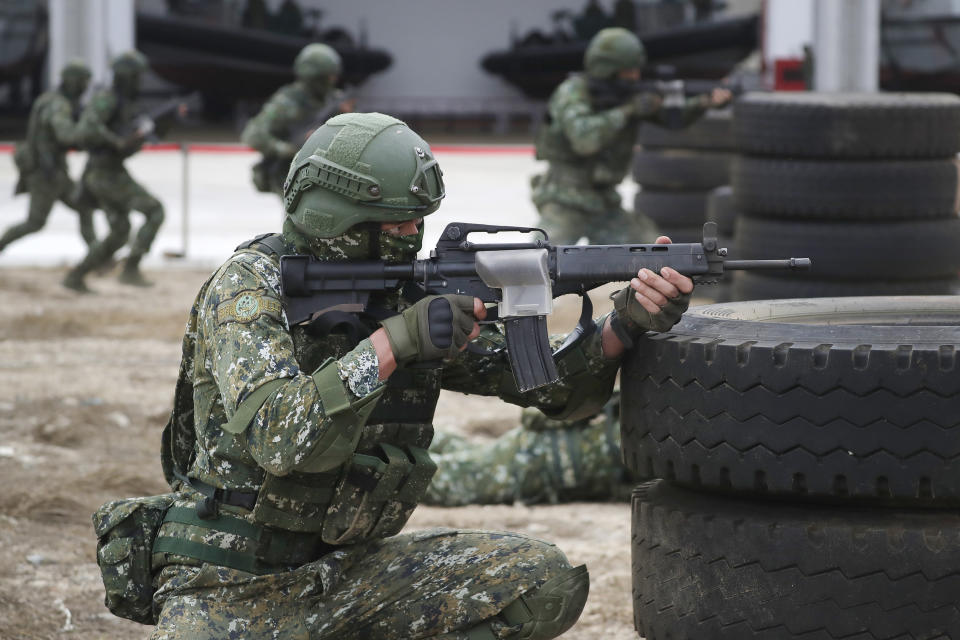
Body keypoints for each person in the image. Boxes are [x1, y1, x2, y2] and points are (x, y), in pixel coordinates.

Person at [145, 112, 693, 638]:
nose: (413, 234)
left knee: (540, 582)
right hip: (228, 583)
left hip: (349, 572)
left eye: (419, 220)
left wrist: (625, 323)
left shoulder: (407, 293)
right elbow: (281, 440)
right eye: (399, 222)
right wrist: (391, 345)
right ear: (336, 219)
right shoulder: (248, 289)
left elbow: (554, 390)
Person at [531, 27, 732, 245]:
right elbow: (585, 139)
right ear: (608, 70)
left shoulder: (629, 95)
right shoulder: (572, 92)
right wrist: (629, 110)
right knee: (541, 258)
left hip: (605, 203)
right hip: (565, 199)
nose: (635, 77)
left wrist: (705, 102)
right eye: (628, 72)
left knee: (650, 251)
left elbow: (673, 117)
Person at [62, 51, 165, 292]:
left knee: (119, 232)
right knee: (155, 210)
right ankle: (130, 269)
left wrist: (136, 140)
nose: (140, 82)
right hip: (104, 174)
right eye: (136, 76)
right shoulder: (107, 99)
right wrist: (116, 142)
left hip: (108, 172)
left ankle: (76, 276)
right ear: (126, 77)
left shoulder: (122, 103)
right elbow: (87, 129)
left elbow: (122, 147)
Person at [425, 395, 631, 507]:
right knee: (431, 481)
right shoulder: (633, 401)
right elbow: (534, 415)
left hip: (529, 465)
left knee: (453, 454)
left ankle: (398, 437)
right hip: (523, 463)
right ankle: (395, 444)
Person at [0, 61, 96, 254]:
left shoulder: (50, 99)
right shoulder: (57, 105)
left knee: (84, 207)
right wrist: (89, 129)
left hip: (55, 172)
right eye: (83, 82)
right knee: (35, 222)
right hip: (45, 174)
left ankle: (96, 255)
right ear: (73, 82)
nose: (85, 87)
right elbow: (65, 134)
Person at [242, 42, 349, 197]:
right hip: (291, 174)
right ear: (314, 77)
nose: (333, 81)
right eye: (327, 77)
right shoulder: (286, 102)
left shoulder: (335, 99)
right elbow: (253, 135)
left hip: (327, 174)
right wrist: (289, 149)